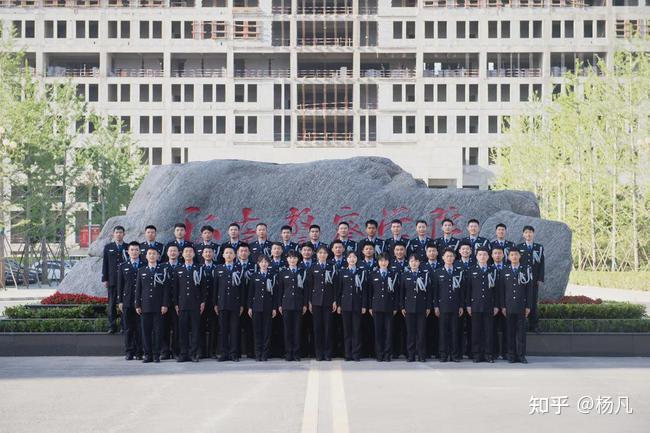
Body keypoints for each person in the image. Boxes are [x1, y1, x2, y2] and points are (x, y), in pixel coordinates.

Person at [136, 246, 170, 363]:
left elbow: (166, 289)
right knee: (145, 332)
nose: (151, 256)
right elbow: (138, 290)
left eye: (154, 254)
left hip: (159, 306)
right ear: (146, 256)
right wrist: (137, 305)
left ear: (158, 256)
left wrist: (165, 304)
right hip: (145, 306)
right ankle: (147, 354)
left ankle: (156, 354)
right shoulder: (141, 270)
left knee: (158, 331)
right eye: (149, 254)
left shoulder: (162, 270)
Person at [499, 249, 533, 363]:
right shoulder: (505, 270)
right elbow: (502, 290)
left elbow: (529, 290)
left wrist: (528, 306)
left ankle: (521, 355)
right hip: (508, 307)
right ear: (508, 257)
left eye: (516, 255)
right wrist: (503, 306)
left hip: (521, 306)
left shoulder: (526, 270)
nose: (514, 257)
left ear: (520, 256)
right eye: (512, 255)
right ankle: (511, 355)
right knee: (510, 332)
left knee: (521, 333)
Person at [465, 247, 499, 363]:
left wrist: (496, 306)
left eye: (484, 254)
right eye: (480, 254)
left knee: (488, 331)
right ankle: (477, 354)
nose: (482, 257)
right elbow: (468, 290)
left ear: (488, 257)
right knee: (476, 331)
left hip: (489, 305)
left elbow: (496, 290)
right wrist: (468, 305)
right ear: (476, 256)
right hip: (475, 305)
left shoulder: (492, 270)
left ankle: (488, 354)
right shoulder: (471, 270)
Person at [174, 245, 206, 362]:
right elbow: (175, 288)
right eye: (186, 252)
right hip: (182, 304)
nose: (188, 254)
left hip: (195, 304)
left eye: (190, 252)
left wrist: (202, 302)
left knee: (195, 330)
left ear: (194, 254)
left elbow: (203, 287)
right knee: (183, 330)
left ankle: (193, 353)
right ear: (182, 254)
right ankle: (184, 353)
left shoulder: (199, 268)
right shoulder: (178, 269)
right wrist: (176, 304)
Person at [433, 248, 465, 362]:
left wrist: (461, 305)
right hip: (442, 307)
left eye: (451, 256)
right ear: (443, 258)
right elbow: (435, 291)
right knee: (443, 332)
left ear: (454, 258)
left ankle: (454, 355)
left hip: (455, 306)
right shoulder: (438, 272)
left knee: (455, 331)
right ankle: (443, 355)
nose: (449, 258)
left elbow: (462, 291)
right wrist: (436, 306)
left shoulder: (459, 272)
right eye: (447, 256)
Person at [306, 245, 337, 361]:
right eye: (320, 253)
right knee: (317, 328)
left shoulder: (331, 267)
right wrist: (309, 301)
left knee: (328, 328)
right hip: (316, 302)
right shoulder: (313, 267)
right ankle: (319, 353)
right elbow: (309, 286)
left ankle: (328, 353)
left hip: (328, 302)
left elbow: (335, 285)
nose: (322, 255)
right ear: (317, 255)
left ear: (327, 255)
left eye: (324, 253)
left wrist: (335, 300)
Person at [213, 245, 244, 362]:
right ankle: (224, 353)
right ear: (223, 255)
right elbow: (215, 288)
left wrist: (241, 304)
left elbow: (242, 289)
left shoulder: (239, 269)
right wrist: (215, 303)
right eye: (227, 253)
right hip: (222, 304)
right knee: (223, 329)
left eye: (231, 253)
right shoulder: (218, 269)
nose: (229, 255)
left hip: (235, 304)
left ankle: (234, 353)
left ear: (235, 255)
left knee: (234, 329)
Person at [400, 254, 432, 362]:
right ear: (409, 263)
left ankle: (422, 355)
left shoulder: (425, 275)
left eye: (416, 261)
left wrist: (428, 306)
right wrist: (402, 306)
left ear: (419, 263)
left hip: (422, 308)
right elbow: (402, 292)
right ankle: (411, 355)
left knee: (421, 332)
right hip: (409, 308)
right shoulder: (405, 275)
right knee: (410, 333)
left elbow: (429, 293)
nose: (414, 263)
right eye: (412, 261)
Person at [277, 251, 308, 361]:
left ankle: (296, 353)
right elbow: (280, 290)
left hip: (298, 305)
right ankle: (288, 353)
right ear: (287, 260)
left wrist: (305, 304)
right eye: (290, 258)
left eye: (294, 258)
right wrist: (279, 304)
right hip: (286, 305)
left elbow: (305, 290)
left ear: (297, 260)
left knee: (297, 329)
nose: (292, 260)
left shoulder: (302, 272)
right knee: (287, 330)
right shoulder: (283, 272)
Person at [367, 253, 398, 362]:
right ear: (378, 262)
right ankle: (379, 354)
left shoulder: (393, 274)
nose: (383, 263)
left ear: (388, 262)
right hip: (376, 307)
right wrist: (370, 307)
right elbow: (370, 292)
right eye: (381, 261)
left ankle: (387, 354)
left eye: (385, 260)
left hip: (389, 307)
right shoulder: (373, 274)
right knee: (378, 331)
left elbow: (396, 293)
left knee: (388, 332)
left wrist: (395, 307)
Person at [336, 251, 366, 361]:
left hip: (358, 305)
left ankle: (356, 354)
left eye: (354, 257)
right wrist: (338, 304)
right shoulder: (342, 272)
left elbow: (365, 291)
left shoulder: (361, 272)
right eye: (350, 257)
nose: (352, 259)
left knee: (356, 330)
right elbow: (339, 290)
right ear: (346, 259)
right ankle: (348, 354)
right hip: (345, 305)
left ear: (357, 259)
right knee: (347, 331)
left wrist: (364, 305)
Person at [117, 241, 144, 360]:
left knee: (139, 328)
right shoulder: (123, 266)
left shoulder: (144, 265)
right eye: (132, 250)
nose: (134, 252)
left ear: (140, 251)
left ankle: (139, 352)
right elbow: (120, 285)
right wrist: (120, 301)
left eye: (136, 250)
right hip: (127, 301)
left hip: (141, 303)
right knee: (128, 328)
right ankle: (129, 351)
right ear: (128, 252)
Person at [247, 255, 277, 361]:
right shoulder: (254, 276)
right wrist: (250, 307)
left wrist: (274, 308)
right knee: (257, 331)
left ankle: (265, 354)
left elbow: (275, 294)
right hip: (256, 307)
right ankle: (257, 353)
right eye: (262, 262)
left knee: (267, 332)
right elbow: (251, 293)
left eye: (266, 262)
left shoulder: (272, 276)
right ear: (258, 264)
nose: (264, 264)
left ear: (269, 264)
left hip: (268, 307)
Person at [516, 225, 545, 333]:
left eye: (530, 232)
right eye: (526, 232)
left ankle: (534, 325)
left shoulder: (539, 247)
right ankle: (521, 325)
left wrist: (540, 278)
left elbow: (542, 264)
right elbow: (515, 262)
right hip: (522, 279)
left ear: (533, 234)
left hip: (534, 280)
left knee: (532, 302)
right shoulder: (518, 247)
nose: (528, 234)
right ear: (523, 234)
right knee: (521, 302)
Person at [102, 225, 128, 334]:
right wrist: (105, 278)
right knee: (112, 304)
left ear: (124, 234)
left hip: (125, 281)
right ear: (113, 234)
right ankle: (112, 326)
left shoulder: (128, 247)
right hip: (112, 280)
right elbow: (105, 264)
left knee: (124, 304)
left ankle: (124, 326)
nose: (119, 234)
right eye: (117, 232)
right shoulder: (108, 247)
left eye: (121, 232)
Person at [160, 244, 182, 359]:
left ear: (179, 253)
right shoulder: (161, 267)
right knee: (164, 327)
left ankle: (175, 351)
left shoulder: (182, 266)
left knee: (177, 328)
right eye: (170, 251)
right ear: (167, 253)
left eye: (175, 251)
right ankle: (165, 351)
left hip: (178, 303)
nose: (173, 253)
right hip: (165, 303)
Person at [199, 245, 218, 358]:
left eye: (210, 252)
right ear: (202, 254)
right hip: (201, 303)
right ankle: (201, 351)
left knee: (213, 327)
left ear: (213, 254)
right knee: (200, 327)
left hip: (213, 302)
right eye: (206, 252)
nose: (208, 254)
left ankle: (212, 351)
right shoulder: (199, 268)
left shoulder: (218, 268)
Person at [490, 245, 508, 360]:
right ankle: (495, 352)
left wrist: (504, 305)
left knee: (507, 329)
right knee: (493, 329)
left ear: (503, 255)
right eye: (495, 253)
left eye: (499, 253)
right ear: (491, 255)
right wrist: (496, 305)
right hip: (493, 305)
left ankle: (506, 352)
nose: (497, 255)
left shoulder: (508, 268)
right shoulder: (488, 269)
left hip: (507, 304)